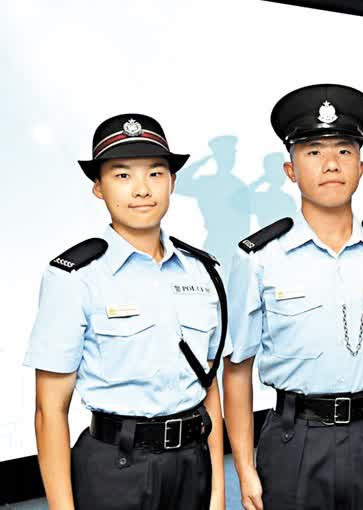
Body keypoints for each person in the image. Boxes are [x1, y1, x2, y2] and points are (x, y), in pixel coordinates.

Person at [223, 84, 363, 510]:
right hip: (294, 440)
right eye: (313, 151)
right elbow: (237, 369)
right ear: (290, 170)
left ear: (361, 167)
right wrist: (245, 467)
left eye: (344, 150)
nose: (331, 164)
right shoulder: (259, 258)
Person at [25, 113, 229, 510]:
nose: (142, 189)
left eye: (155, 173)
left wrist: (218, 492)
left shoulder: (204, 271)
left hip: (193, 463)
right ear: (98, 188)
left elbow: (209, 385)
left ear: (172, 182)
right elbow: (49, 410)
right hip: (114, 468)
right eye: (122, 175)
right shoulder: (75, 277)